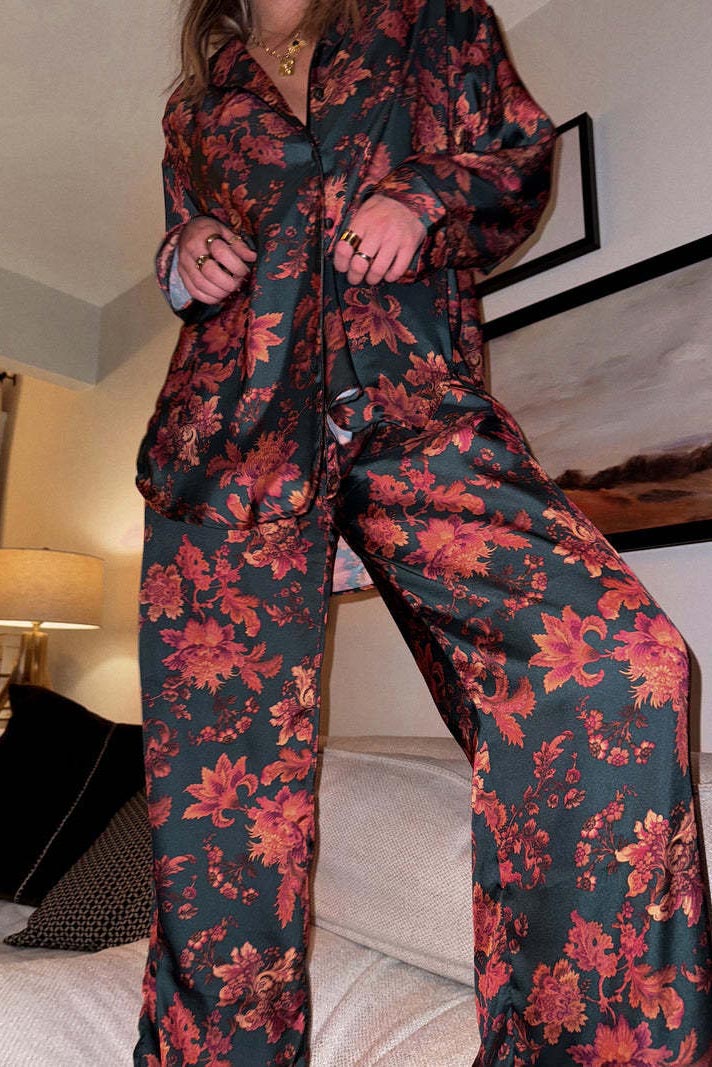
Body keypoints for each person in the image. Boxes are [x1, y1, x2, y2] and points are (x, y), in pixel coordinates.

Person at [134, 0, 712, 1063]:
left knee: (621, 665)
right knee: (221, 814)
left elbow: (516, 157)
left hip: (415, 404)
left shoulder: (433, 19)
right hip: (228, 448)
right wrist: (188, 250)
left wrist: (421, 193)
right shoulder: (196, 104)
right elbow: (189, 241)